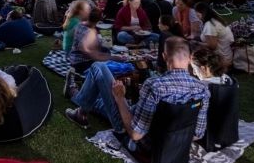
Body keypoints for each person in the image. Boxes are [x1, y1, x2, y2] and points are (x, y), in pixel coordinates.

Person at [65, 37, 210, 148]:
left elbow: (135, 134)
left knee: (98, 68)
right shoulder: (203, 90)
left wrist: (120, 98)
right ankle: (76, 96)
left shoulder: (155, 85)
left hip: (138, 142)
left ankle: (80, 109)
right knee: (105, 102)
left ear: (165, 57)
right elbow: (198, 134)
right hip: (170, 145)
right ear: (190, 58)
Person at [194, 2, 234, 68]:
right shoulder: (215, 19)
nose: (197, 17)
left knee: (193, 47)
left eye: (197, 15)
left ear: (202, 13)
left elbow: (212, 47)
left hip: (222, 60)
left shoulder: (210, 25)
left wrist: (197, 43)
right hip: (226, 56)